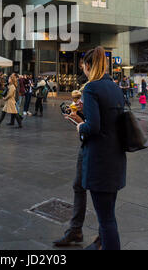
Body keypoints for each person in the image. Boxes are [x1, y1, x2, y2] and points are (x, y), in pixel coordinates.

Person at [77, 47, 126, 251]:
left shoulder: (90, 88)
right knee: (109, 215)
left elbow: (94, 127)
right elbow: (110, 120)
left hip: (100, 161)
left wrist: (80, 125)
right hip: (116, 158)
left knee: (106, 220)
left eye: (84, 68)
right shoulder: (115, 87)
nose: (84, 72)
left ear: (88, 66)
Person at [53, 90, 86, 248]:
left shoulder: (95, 88)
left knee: (99, 194)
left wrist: (80, 121)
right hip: (89, 146)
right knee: (79, 186)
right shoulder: (92, 89)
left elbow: (96, 125)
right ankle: (76, 230)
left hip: (96, 147)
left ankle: (103, 237)